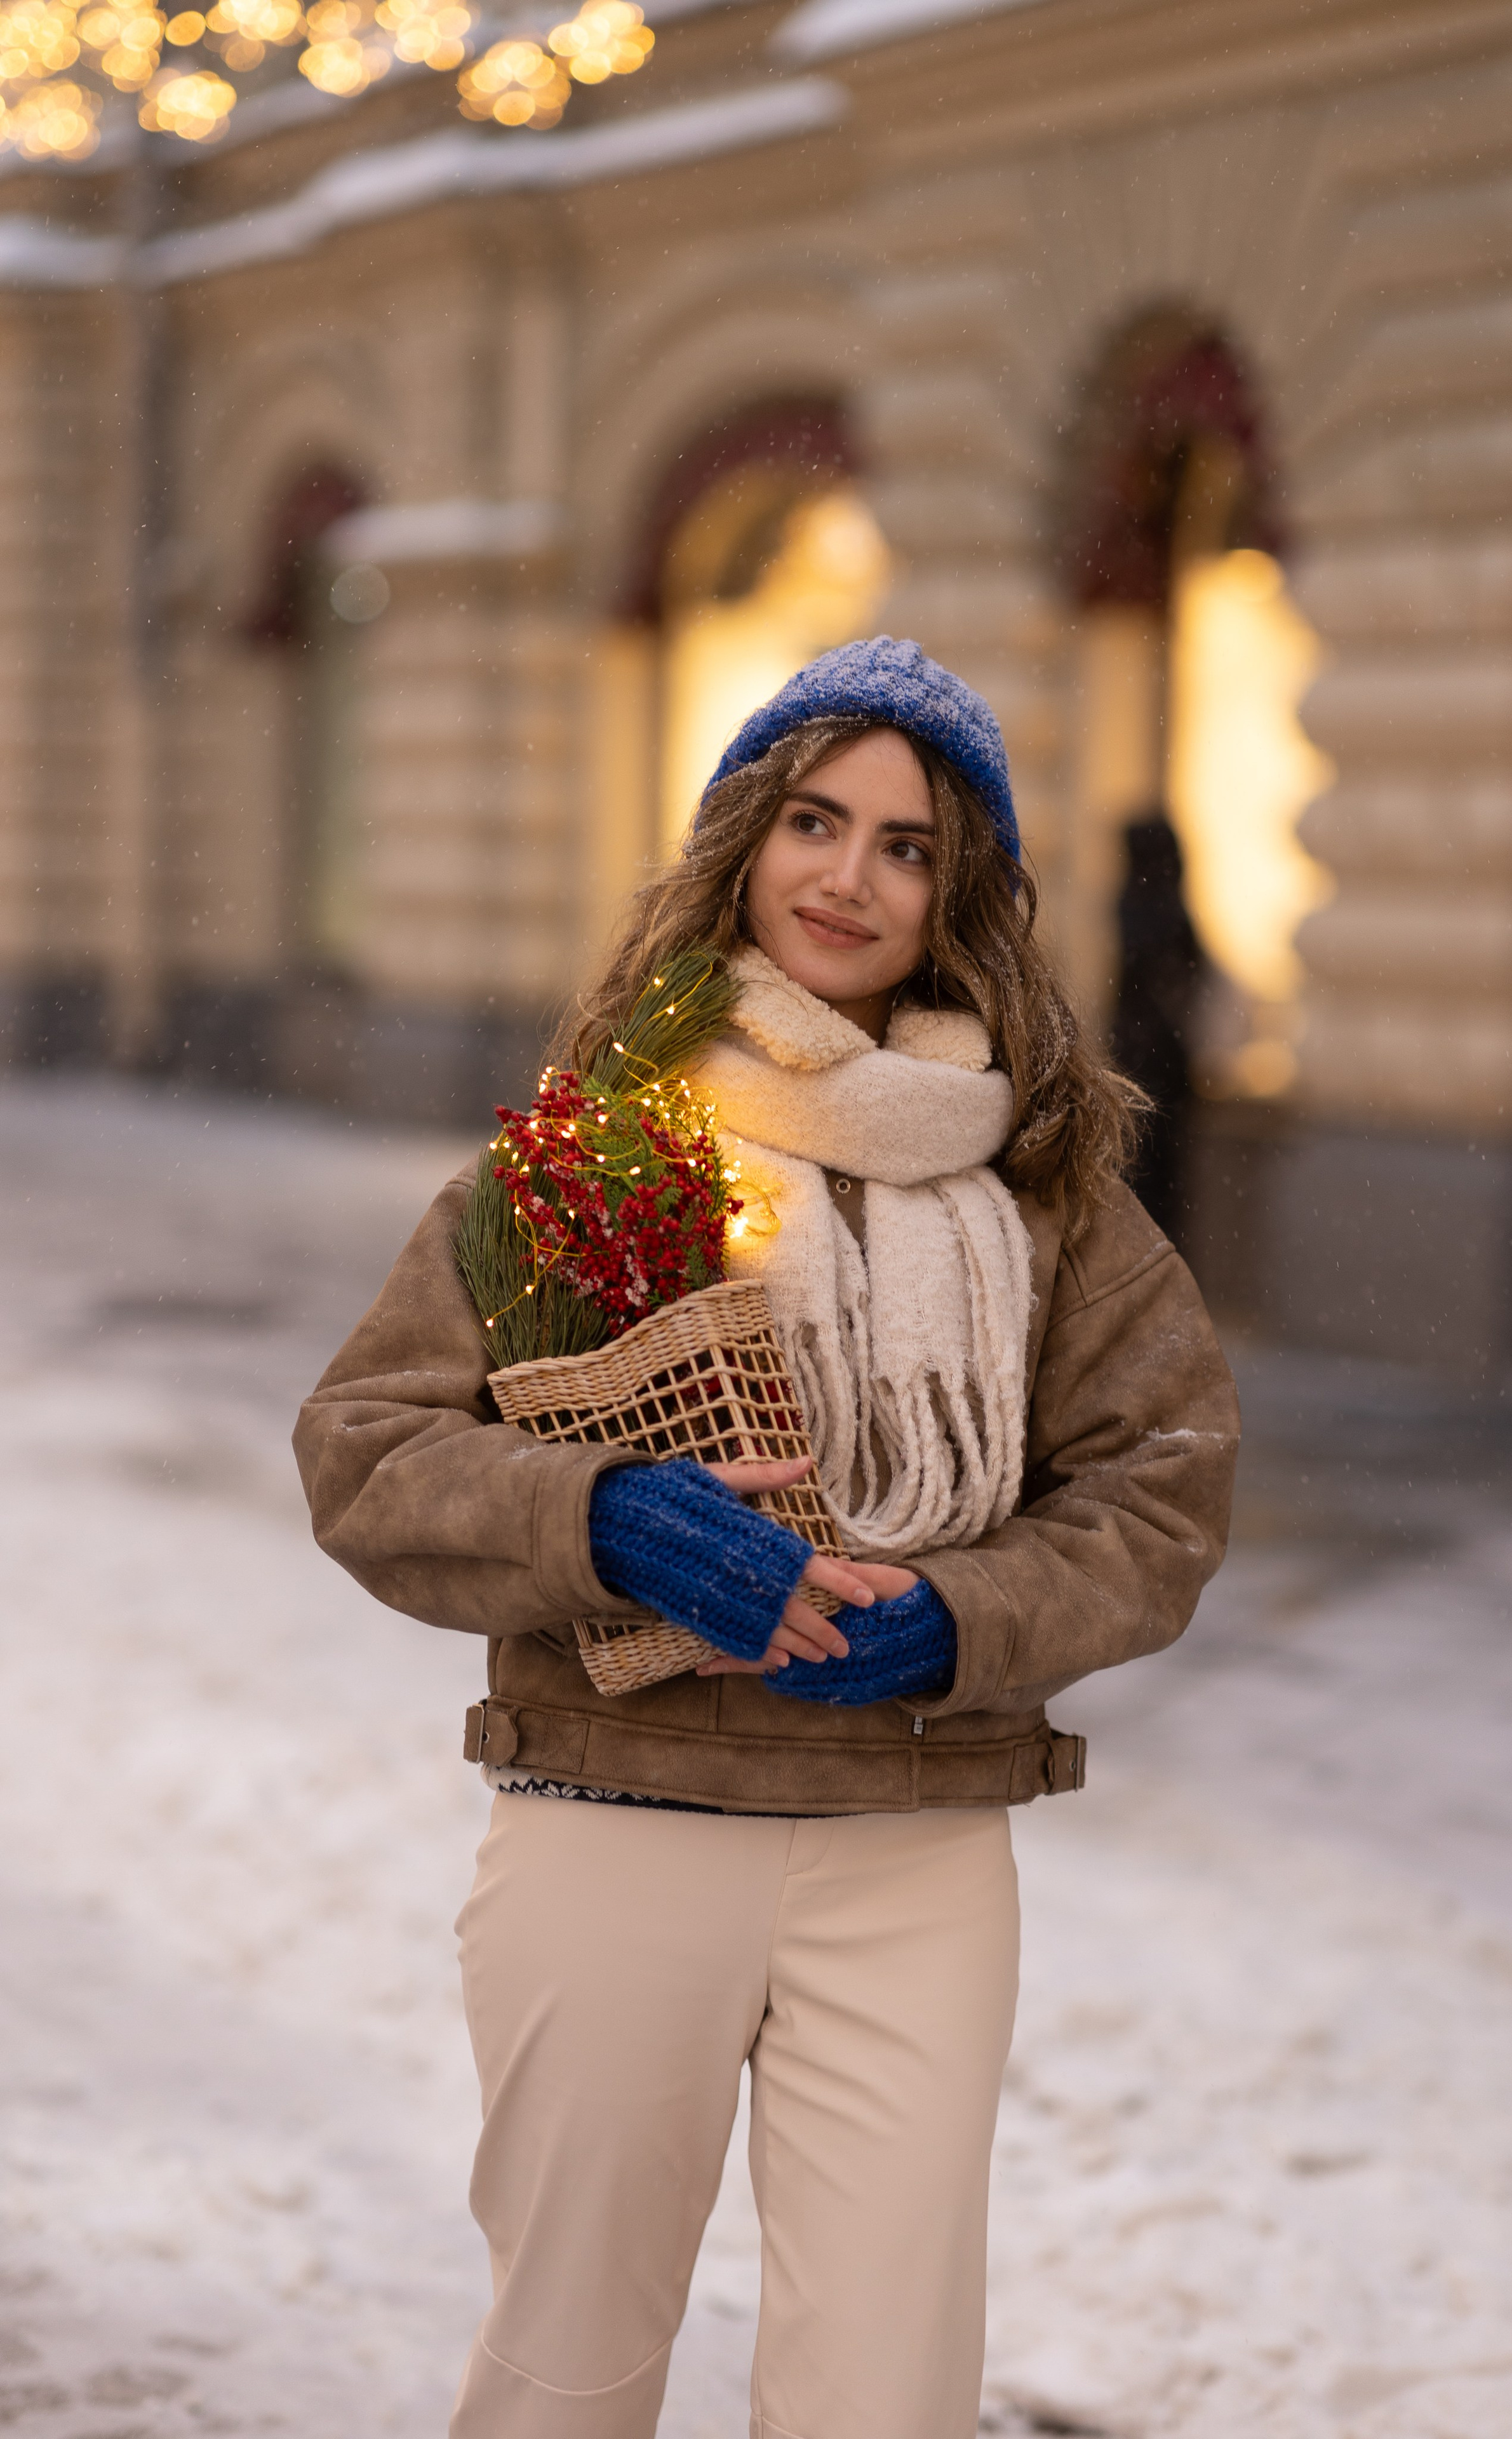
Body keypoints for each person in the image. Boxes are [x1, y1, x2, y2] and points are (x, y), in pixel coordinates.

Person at [294, 636, 1240, 2439]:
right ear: (745, 838)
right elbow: (367, 1449)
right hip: (619, 1816)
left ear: (961, 899)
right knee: (567, 2368)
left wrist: (968, 1616)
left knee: (883, 2398)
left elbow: (1163, 1487)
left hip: (917, 1837)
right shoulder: (597, 1153)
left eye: (908, 848)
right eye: (819, 820)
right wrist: (604, 1518)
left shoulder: (1040, 1189)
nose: (850, 879)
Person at [1109, 805, 1209, 1242]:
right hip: (1163, 1061)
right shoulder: (1164, 906)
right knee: (1162, 1181)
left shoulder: (1140, 906)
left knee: (1145, 1177)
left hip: (1143, 1060)